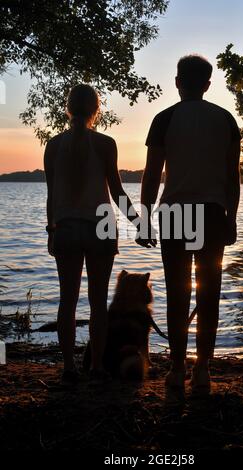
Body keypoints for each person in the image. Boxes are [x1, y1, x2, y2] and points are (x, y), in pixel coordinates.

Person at [141, 55, 241, 401]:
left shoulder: (164, 119)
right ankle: (202, 371)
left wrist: (143, 218)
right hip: (213, 213)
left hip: (175, 214)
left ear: (178, 82)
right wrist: (233, 217)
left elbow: (152, 174)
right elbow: (233, 177)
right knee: (209, 294)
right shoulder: (226, 119)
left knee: (178, 293)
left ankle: (177, 369)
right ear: (208, 85)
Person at [44, 84, 144, 384]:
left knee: (67, 301)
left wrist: (51, 230)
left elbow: (52, 197)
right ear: (96, 110)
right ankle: (97, 367)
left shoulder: (52, 145)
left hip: (65, 228)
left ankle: (68, 368)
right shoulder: (105, 143)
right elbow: (116, 191)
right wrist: (138, 223)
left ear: (68, 108)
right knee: (98, 302)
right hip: (100, 227)